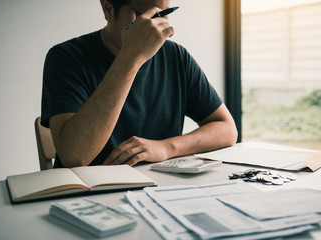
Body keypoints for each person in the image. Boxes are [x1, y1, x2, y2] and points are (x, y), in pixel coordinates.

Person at [41, 0, 238, 168]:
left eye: (164, 14)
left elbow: (227, 129)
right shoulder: (65, 57)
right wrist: (131, 58)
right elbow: (75, 157)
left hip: (158, 191)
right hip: (87, 195)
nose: (160, 29)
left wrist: (166, 147)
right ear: (108, 9)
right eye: (147, 17)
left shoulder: (176, 56)